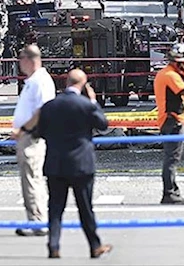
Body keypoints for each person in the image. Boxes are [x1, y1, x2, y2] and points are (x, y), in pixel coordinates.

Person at [40, 70, 112, 259]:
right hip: (81, 163)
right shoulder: (86, 105)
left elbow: (39, 131)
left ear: (66, 82)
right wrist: (93, 101)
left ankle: (53, 245)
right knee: (85, 207)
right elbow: (103, 125)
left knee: (55, 208)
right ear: (84, 84)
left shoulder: (50, 106)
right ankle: (94, 245)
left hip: (55, 163)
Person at [11, 44, 56, 236]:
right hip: (28, 135)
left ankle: (37, 221)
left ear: (30, 59)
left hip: (31, 136)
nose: (19, 63)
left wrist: (23, 129)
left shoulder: (39, 81)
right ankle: (37, 219)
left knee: (31, 179)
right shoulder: (34, 80)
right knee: (32, 178)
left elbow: (42, 110)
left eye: (21, 58)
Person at [153, 43, 184, 204]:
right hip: (172, 121)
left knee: (171, 157)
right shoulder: (171, 76)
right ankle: (169, 192)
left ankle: (172, 190)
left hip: (170, 120)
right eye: (183, 63)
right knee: (171, 158)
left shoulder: (165, 73)